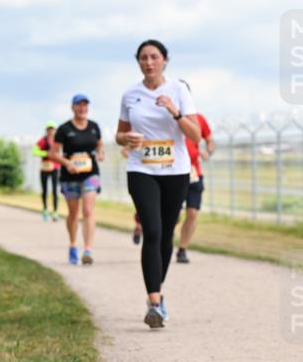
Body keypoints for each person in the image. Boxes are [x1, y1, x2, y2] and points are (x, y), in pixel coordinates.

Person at [116, 39, 200, 328]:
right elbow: (119, 134)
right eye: (143, 58)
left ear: (165, 60)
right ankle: (154, 301)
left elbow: (196, 135)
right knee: (151, 230)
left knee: (165, 235)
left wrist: (174, 112)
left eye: (154, 57)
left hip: (175, 171)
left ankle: (157, 290)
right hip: (141, 169)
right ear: (138, 62)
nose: (148, 62)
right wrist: (126, 139)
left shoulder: (178, 90)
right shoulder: (130, 94)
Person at [51, 95, 104, 265]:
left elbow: (100, 144)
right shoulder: (64, 129)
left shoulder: (94, 127)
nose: (82, 109)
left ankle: (88, 249)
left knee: (88, 210)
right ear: (73, 108)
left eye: (85, 105)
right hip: (70, 176)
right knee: (73, 213)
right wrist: (67, 163)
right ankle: (73, 245)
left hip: (91, 174)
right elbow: (53, 153)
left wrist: (101, 153)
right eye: (79, 105)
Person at [175, 80, 215, 264]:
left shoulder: (199, 118)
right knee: (172, 216)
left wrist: (208, 151)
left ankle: (182, 249)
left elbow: (210, 140)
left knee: (192, 213)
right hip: (171, 172)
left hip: (193, 172)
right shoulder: (166, 118)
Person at [32, 121, 60, 221]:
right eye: (49, 129)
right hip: (44, 168)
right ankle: (45, 209)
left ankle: (55, 212)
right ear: (46, 130)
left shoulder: (58, 141)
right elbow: (34, 151)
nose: (51, 131)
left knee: (54, 191)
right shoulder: (42, 141)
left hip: (55, 168)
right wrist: (46, 153)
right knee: (44, 190)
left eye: (52, 129)